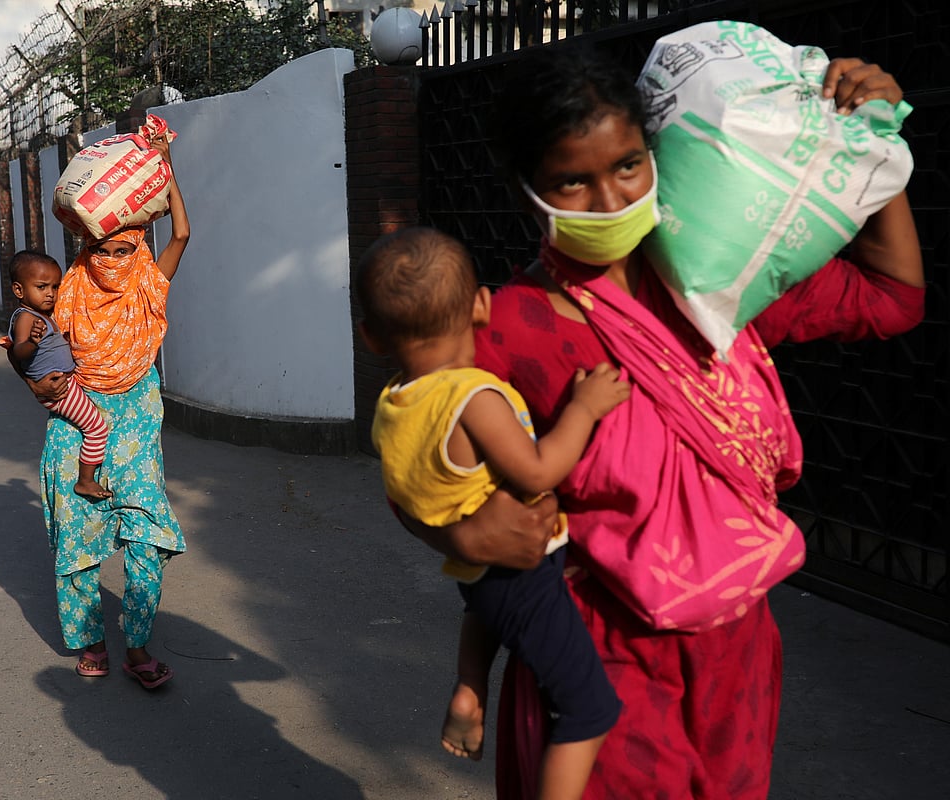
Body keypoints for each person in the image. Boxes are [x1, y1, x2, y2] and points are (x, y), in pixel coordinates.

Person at [404, 47, 924, 800]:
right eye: (572, 182)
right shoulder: (510, 327)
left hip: (734, 659)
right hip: (599, 657)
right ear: (528, 194)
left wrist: (872, 138)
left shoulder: (721, 282)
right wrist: (453, 534)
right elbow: (414, 453)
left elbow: (891, 297)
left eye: (627, 166)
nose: (610, 200)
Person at [359, 226, 629, 799]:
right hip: (522, 574)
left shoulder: (394, 402)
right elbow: (536, 471)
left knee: (489, 609)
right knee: (588, 711)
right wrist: (584, 408)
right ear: (482, 304)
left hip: (479, 577)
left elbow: (408, 488)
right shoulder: (475, 399)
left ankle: (468, 687)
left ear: (373, 338)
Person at [9, 132, 190, 689]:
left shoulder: (150, 285)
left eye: (124, 249)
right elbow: (31, 344)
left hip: (136, 415)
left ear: (138, 247)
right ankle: (89, 638)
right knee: (76, 534)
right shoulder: (67, 292)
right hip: (77, 415)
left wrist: (165, 169)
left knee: (148, 538)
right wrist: (32, 379)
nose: (112, 261)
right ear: (86, 250)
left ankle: (136, 642)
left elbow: (181, 231)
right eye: (101, 250)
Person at [8, 250, 113, 501]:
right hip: (58, 389)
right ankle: (85, 481)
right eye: (41, 286)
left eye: (55, 287)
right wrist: (31, 342)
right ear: (19, 290)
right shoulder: (26, 317)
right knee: (97, 428)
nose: (50, 294)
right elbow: (17, 350)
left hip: (66, 383)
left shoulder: (41, 316)